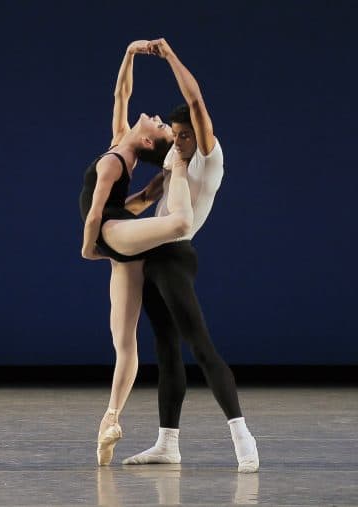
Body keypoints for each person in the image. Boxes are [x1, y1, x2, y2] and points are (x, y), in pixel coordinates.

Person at [122, 38, 259, 473]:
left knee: (200, 346)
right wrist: (101, 216)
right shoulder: (172, 164)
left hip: (176, 257)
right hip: (153, 260)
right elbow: (143, 200)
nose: (179, 141)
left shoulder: (208, 158)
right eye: (175, 136)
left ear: (199, 134)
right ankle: (168, 443)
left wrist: (168, 56)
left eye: (186, 135)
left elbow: (194, 99)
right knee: (165, 350)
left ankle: (242, 438)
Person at [79, 40, 193, 466]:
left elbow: (94, 216)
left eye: (162, 126)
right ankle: (109, 420)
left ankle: (179, 174)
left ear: (146, 140)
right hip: (123, 235)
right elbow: (121, 94)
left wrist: (90, 248)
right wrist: (127, 53)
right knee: (123, 344)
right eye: (166, 125)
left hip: (112, 232)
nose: (161, 120)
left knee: (179, 223)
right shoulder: (120, 143)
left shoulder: (113, 160)